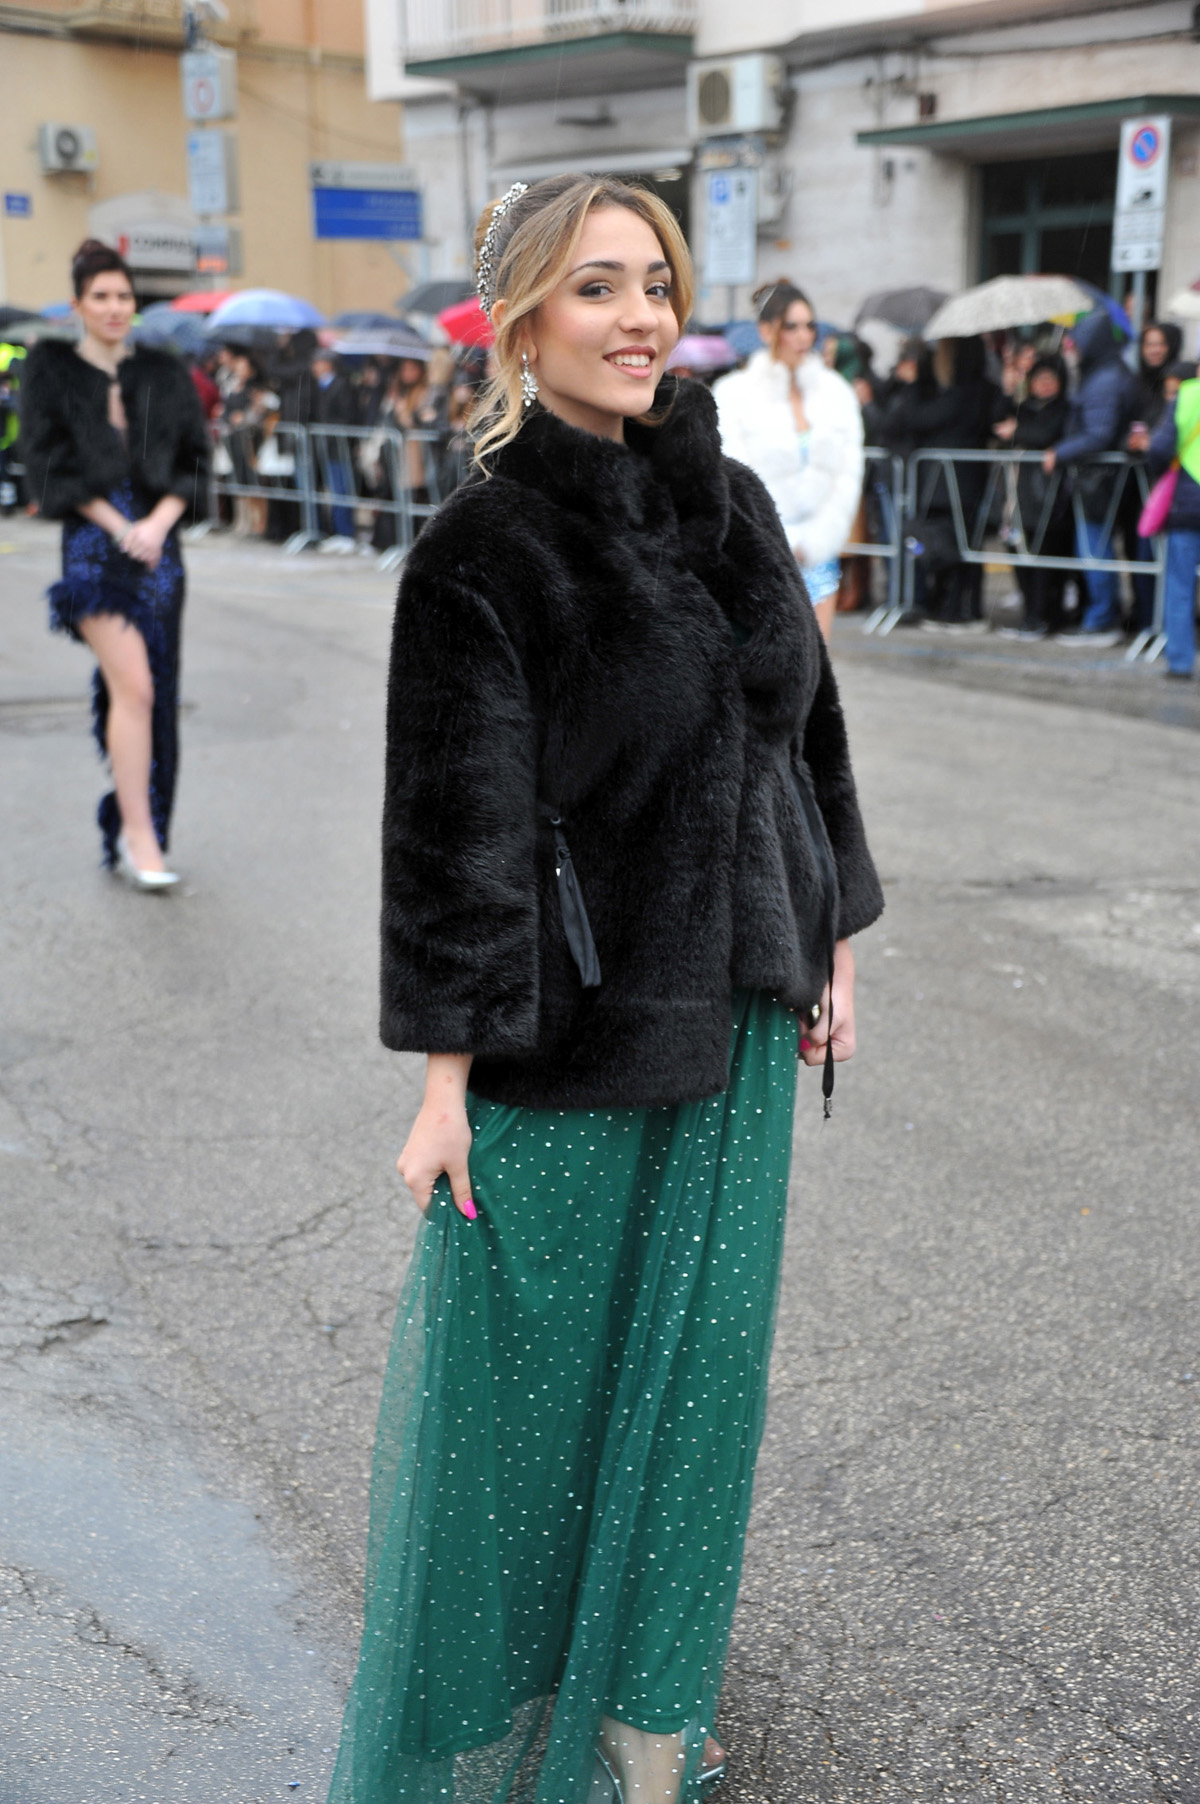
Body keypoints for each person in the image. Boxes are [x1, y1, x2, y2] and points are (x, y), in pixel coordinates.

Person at [325, 174, 883, 1804]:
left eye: (656, 283)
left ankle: (648, 1723)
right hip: (574, 1039)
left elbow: (807, 735)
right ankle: (492, 1730)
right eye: (597, 288)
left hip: (745, 1019)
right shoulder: (482, 550)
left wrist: (830, 939)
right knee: (529, 1416)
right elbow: (457, 836)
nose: (641, 317)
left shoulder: (736, 501)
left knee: (698, 1397)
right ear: (520, 324)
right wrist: (444, 1086)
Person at [20, 239, 208, 887]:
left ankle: (146, 822)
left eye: (123, 295)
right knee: (136, 687)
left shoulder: (163, 372)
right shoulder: (49, 371)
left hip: (161, 549)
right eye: (100, 296)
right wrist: (121, 526)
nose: (114, 307)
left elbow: (193, 462)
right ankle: (138, 836)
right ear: (77, 304)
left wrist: (155, 526)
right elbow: (47, 468)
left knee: (159, 688)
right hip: (94, 547)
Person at [714, 280, 864, 643]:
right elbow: (737, 479)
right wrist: (781, 541)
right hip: (762, 557)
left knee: (819, 661)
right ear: (766, 331)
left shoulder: (835, 393)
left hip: (819, 553)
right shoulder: (735, 394)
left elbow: (847, 473)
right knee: (768, 662)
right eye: (791, 326)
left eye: (809, 326)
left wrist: (818, 540)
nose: (803, 336)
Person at [883, 335, 1001, 624]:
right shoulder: (981, 389)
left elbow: (919, 418)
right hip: (955, 481)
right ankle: (960, 606)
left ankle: (958, 608)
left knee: (953, 547)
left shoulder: (963, 392)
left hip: (951, 483)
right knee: (961, 546)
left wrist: (912, 384)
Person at [1043, 310, 1138, 645]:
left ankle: (1101, 619)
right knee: (1094, 549)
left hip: (1099, 480)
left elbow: (1098, 433)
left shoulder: (1104, 379)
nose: (1073, 349)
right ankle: (1100, 615)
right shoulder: (1106, 373)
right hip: (1100, 478)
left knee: (1095, 550)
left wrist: (1061, 452)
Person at [993, 353, 1072, 635]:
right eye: (1039, 379)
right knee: (1019, 554)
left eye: (1050, 379)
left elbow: (1045, 435)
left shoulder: (1064, 409)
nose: (1045, 384)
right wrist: (1008, 389)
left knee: (1044, 559)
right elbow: (995, 422)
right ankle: (1031, 613)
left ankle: (1043, 617)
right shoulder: (1023, 408)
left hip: (1047, 499)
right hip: (1017, 498)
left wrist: (1017, 432)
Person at [1146, 370, 1200, 680]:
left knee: (1180, 585)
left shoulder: (1187, 394)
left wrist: (1162, 472)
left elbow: (1159, 447)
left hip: (1188, 503)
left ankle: (1180, 663)